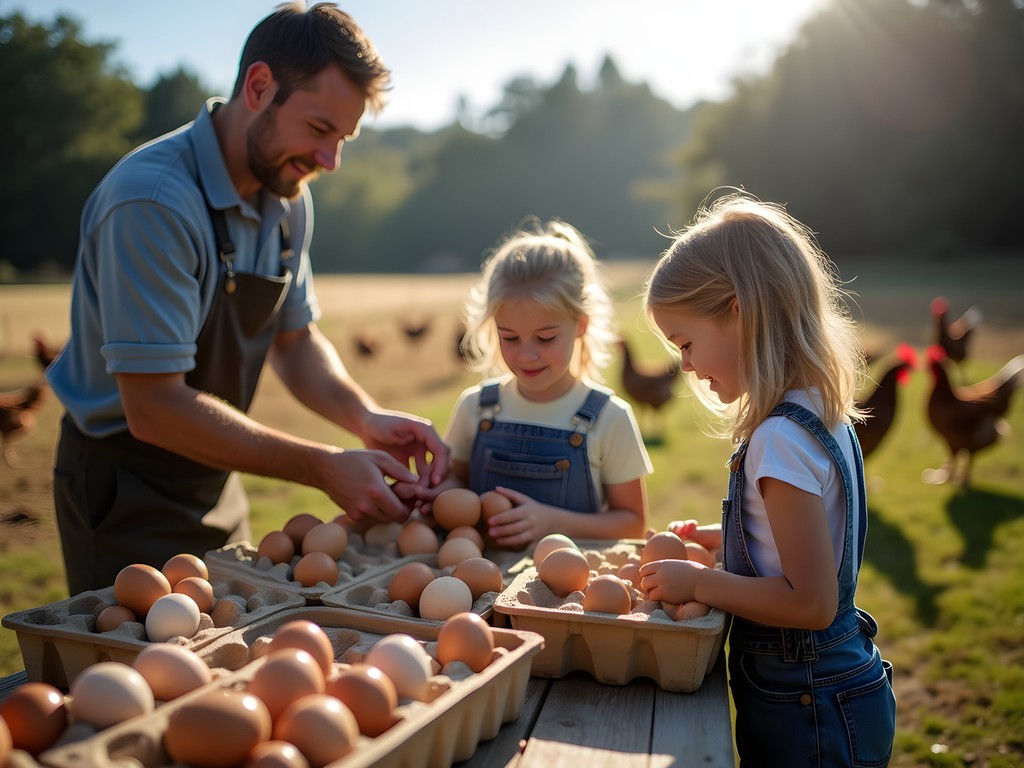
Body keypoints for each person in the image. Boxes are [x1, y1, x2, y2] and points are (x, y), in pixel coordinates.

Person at [46, 3, 448, 595]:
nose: (330, 161)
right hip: (124, 484)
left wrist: (363, 417)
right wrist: (320, 464)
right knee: (140, 676)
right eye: (318, 129)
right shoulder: (152, 202)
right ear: (259, 87)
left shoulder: (287, 197)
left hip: (218, 467)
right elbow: (154, 406)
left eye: (343, 138)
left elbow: (295, 339)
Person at [637, 192, 896, 767]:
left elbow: (809, 602)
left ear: (740, 312)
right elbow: (804, 546)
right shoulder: (821, 412)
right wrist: (724, 541)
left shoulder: (780, 439)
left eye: (685, 342)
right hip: (833, 692)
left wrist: (700, 583)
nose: (683, 365)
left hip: (809, 710)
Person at [431, 218, 652, 549]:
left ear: (580, 325)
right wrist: (437, 494)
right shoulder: (476, 407)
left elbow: (633, 523)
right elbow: (453, 484)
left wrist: (551, 522)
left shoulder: (609, 418)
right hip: (476, 588)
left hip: (567, 595)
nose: (527, 355)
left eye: (545, 338)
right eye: (510, 338)